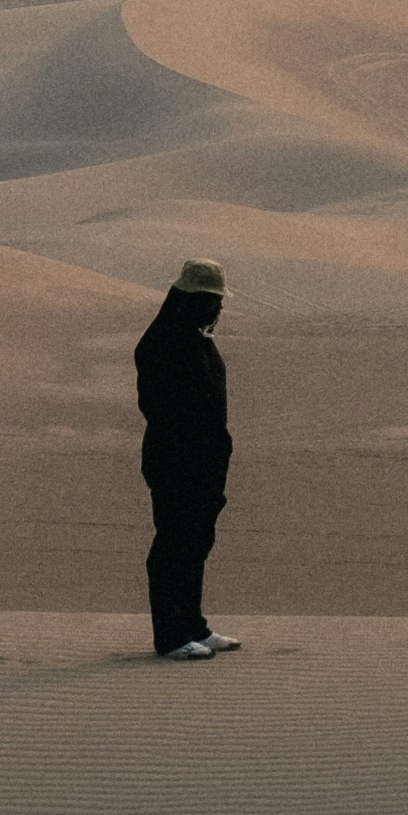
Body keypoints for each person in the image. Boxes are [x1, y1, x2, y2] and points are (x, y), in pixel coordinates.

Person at [133, 258, 236, 659]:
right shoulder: (162, 342)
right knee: (174, 543)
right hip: (175, 460)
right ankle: (171, 636)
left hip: (205, 461)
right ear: (189, 299)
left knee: (196, 541)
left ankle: (193, 626)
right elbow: (161, 409)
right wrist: (191, 451)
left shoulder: (197, 337)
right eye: (211, 299)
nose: (219, 307)